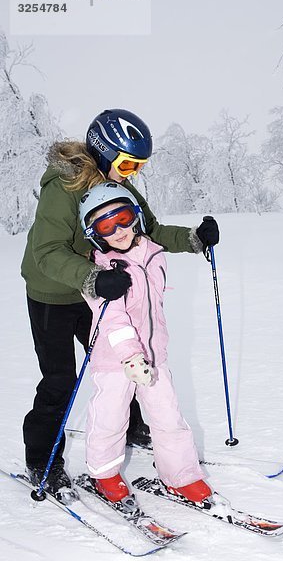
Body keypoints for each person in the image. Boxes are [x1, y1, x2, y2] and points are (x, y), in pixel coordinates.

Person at [21, 108, 219, 497]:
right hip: (55, 294)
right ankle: (42, 458)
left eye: (138, 165)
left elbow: (152, 230)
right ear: (103, 151)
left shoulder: (118, 186)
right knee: (60, 379)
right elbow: (46, 252)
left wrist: (195, 239)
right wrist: (92, 278)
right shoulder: (63, 187)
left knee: (120, 360)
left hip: (104, 286)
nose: (131, 173)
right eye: (127, 163)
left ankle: (131, 426)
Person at [79, 181, 212, 503]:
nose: (119, 230)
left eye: (123, 217)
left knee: (168, 418)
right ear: (95, 233)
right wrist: (129, 356)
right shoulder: (99, 272)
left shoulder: (154, 255)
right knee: (110, 419)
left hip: (153, 357)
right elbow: (112, 318)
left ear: (135, 215)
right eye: (107, 226)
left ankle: (181, 477)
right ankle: (105, 474)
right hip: (115, 362)